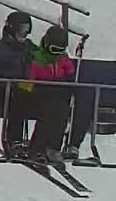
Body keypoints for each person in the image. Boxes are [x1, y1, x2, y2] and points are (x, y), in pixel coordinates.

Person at [23, 25, 77, 162]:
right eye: (54, 50)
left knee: (63, 110)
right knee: (49, 110)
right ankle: (36, 148)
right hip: (37, 96)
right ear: (46, 44)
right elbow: (26, 83)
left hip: (56, 98)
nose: (56, 54)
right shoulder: (37, 59)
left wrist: (70, 75)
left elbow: (71, 77)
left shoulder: (63, 60)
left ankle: (53, 147)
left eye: (60, 51)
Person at [0, 11, 35, 158]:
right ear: (12, 29)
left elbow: (44, 59)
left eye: (27, 30)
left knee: (51, 99)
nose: (25, 35)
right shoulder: (0, 49)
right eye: (22, 30)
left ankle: (44, 143)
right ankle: (14, 141)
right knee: (19, 96)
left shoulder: (29, 47)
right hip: (3, 92)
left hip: (24, 92)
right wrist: (15, 83)